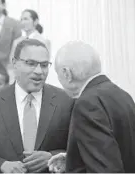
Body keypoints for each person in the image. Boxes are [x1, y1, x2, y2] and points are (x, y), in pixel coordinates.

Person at [0, 39, 74, 173]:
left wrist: (54, 157)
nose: (39, 71)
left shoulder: (66, 101)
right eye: (31, 64)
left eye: (44, 65)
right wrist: (1, 166)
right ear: (14, 63)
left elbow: (80, 150)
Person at [54, 41, 135, 173]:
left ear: (66, 73)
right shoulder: (123, 95)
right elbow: (120, 150)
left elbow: (105, 170)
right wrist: (72, 159)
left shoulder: (87, 104)